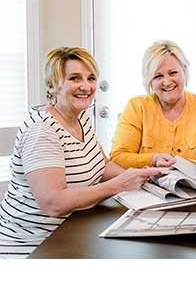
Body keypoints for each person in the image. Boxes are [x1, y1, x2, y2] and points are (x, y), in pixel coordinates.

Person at [0, 47, 160, 258]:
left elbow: (102, 165)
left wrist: (140, 178)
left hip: (71, 230)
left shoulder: (81, 117)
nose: (86, 86)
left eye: (91, 78)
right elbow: (54, 203)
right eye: (75, 78)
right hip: (32, 246)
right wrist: (119, 185)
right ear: (52, 86)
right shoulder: (42, 131)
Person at [110, 40, 196, 174]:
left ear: (184, 71)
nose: (167, 82)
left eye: (173, 73)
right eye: (158, 76)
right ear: (149, 81)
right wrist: (153, 159)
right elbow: (118, 158)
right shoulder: (136, 106)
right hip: (146, 189)